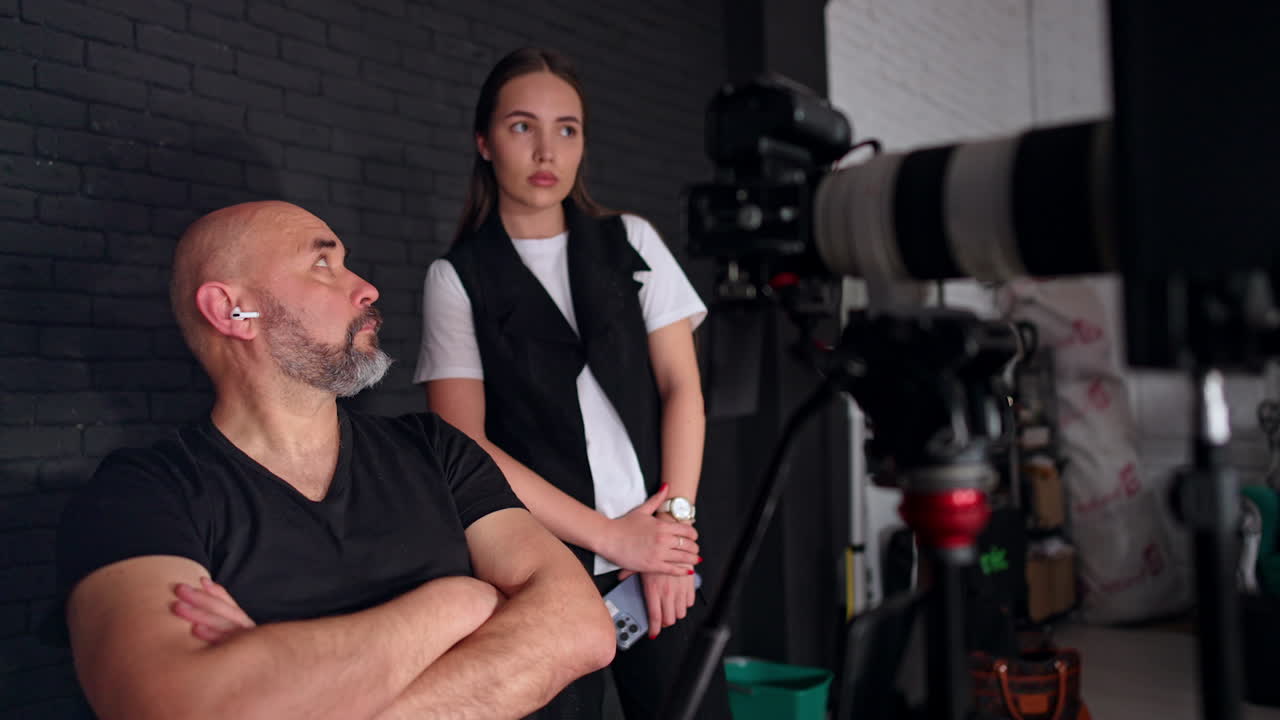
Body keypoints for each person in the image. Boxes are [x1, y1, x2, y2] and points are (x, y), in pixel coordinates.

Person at [55, 200, 615, 720]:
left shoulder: (434, 449)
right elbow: (176, 705)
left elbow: (582, 627)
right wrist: (457, 604)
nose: (367, 288)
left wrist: (288, 685)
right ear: (232, 309)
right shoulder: (143, 495)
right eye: (323, 265)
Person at [416, 48, 732, 718]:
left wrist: (669, 543)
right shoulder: (458, 278)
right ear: (483, 141)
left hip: (660, 555)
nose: (546, 150)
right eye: (521, 126)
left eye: (567, 129)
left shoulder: (631, 242)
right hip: (540, 574)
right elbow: (462, 444)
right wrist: (610, 538)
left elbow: (683, 389)